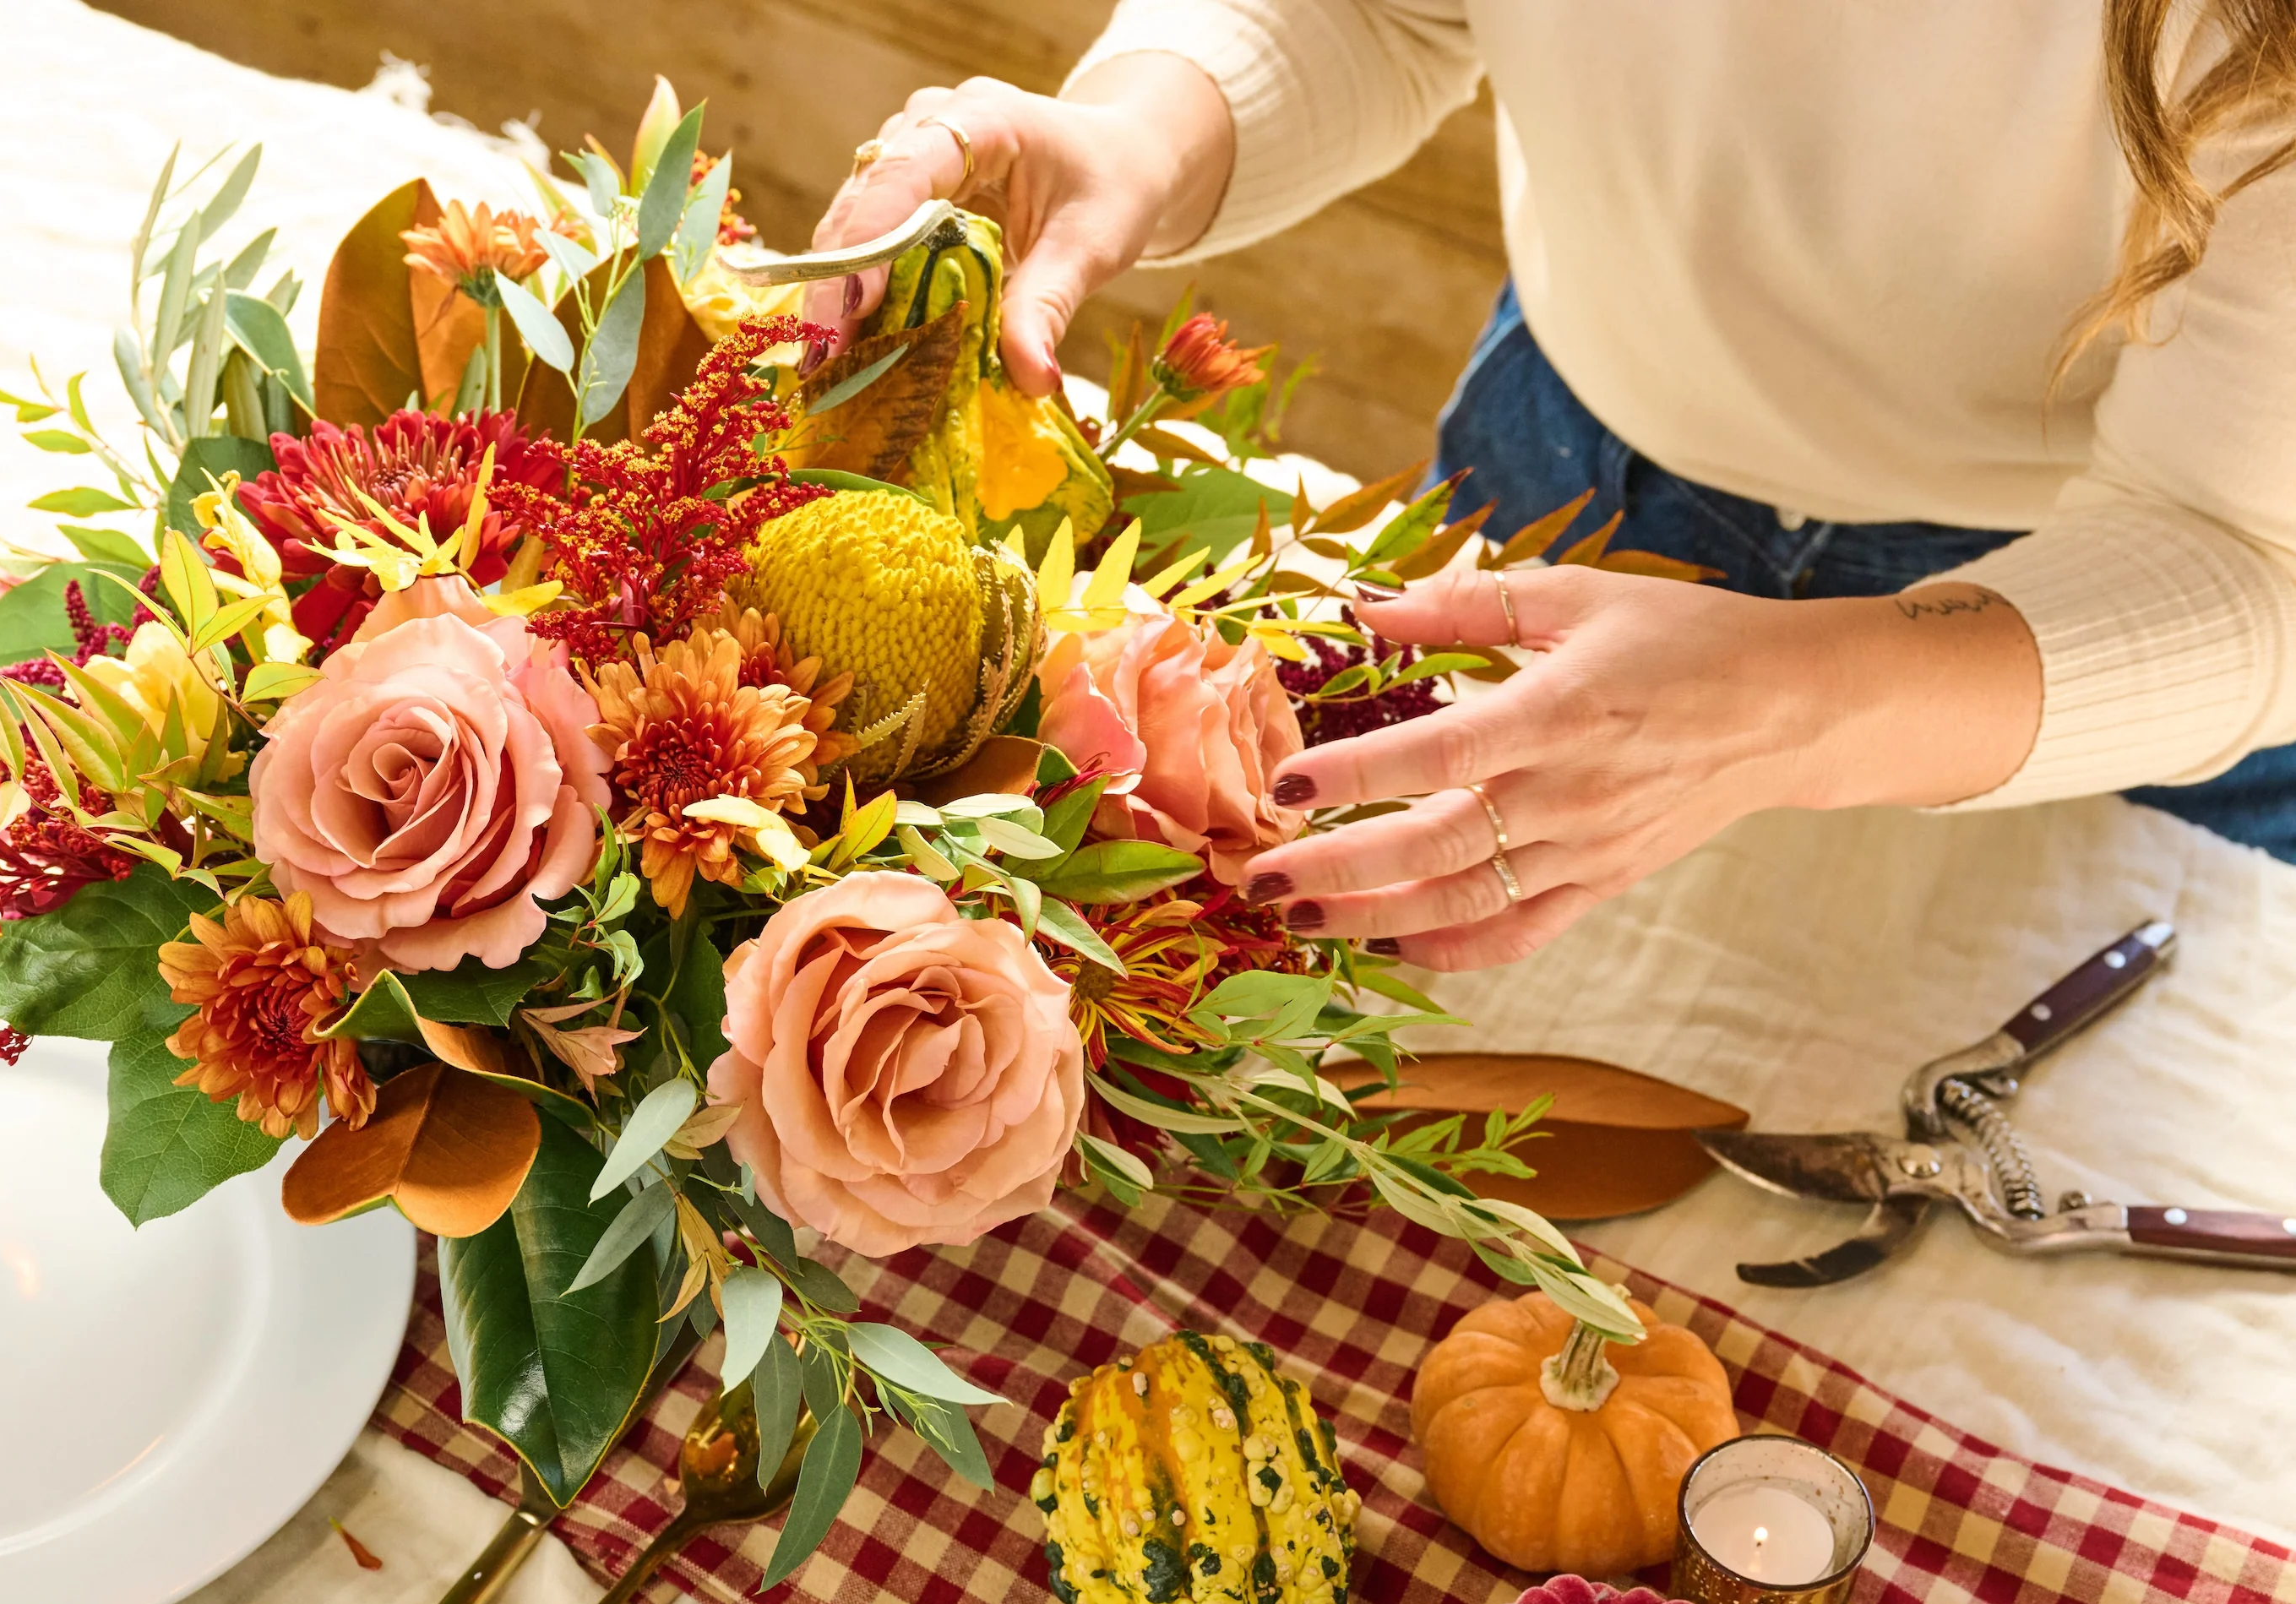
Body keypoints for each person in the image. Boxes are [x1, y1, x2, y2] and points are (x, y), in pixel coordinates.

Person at [803, 3, 2296, 971]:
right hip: (1561, 459)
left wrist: (1797, 700)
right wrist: (1138, 131)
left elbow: (2245, 552)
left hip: (2079, 646)